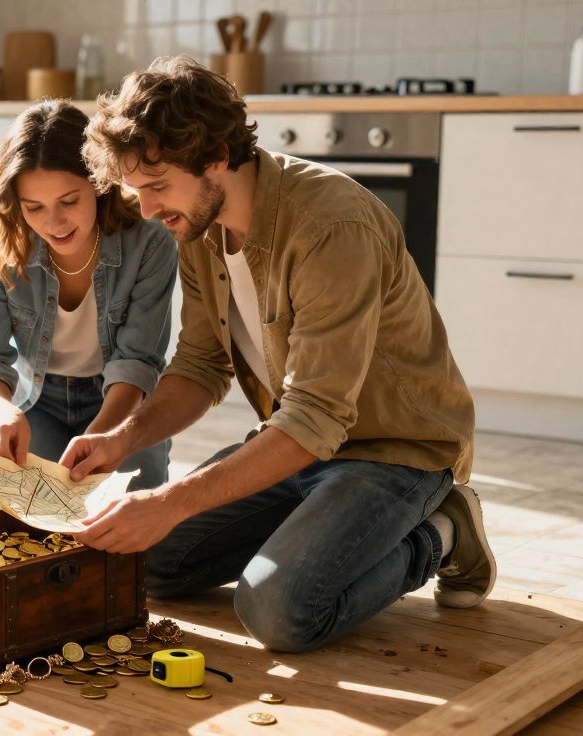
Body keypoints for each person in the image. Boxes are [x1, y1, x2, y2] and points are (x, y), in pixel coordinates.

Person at [61, 56, 494, 652]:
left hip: (393, 451)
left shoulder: (331, 226)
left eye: (157, 186)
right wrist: (121, 440)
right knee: (150, 563)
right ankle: (316, 526)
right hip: (297, 444)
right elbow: (199, 365)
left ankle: (445, 532)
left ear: (215, 155)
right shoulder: (198, 224)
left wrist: (168, 500)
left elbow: (315, 415)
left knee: (278, 609)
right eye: (138, 191)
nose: (148, 210)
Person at [0, 99, 176, 490]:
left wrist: (105, 438)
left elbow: (138, 362)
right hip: (34, 402)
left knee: (136, 509)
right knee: (35, 513)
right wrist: (4, 413)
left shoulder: (149, 239)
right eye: (34, 207)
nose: (53, 223)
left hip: (122, 401)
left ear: (99, 185)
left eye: (69, 202)